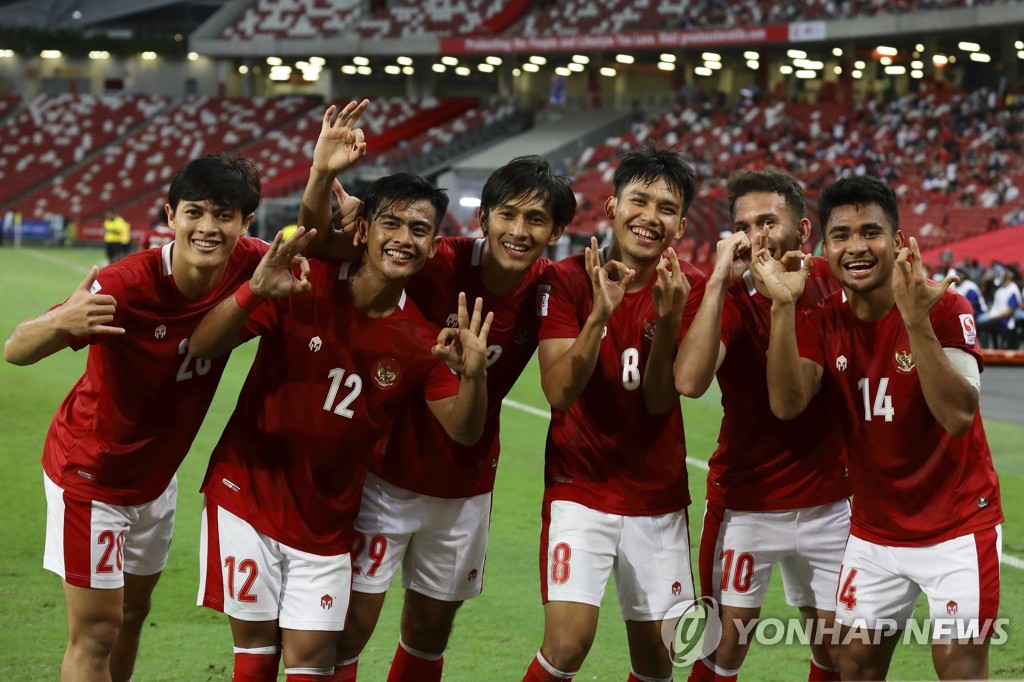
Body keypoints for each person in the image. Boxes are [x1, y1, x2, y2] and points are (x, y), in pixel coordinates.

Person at [189, 130, 493, 680]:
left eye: (419, 230)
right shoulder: (304, 280)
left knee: (314, 664)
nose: (404, 239)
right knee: (255, 660)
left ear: (432, 245)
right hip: (247, 495)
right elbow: (204, 346)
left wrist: (473, 378)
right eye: (392, 224)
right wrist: (253, 291)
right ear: (365, 229)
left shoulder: (423, 339)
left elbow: (465, 431)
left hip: (329, 523)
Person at [3, 153, 277, 682]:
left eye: (224, 216)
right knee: (97, 633)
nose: (207, 227)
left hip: (156, 477)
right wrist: (62, 320)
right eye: (194, 212)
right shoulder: (124, 283)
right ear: (170, 216)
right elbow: (15, 349)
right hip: (91, 473)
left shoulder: (252, 264)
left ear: (246, 223)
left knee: (132, 616)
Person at [306, 146, 577, 679]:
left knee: (429, 633)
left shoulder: (553, 286)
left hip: (465, 484)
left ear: (557, 231)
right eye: (508, 214)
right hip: (383, 474)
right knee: (349, 627)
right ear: (484, 218)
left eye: (537, 220)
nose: (519, 231)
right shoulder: (435, 261)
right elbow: (329, 248)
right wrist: (344, 208)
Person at [753, 174, 1003, 680]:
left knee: (960, 669)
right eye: (841, 235)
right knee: (856, 665)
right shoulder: (823, 318)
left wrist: (915, 322)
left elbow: (958, 416)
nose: (856, 247)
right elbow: (786, 403)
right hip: (875, 532)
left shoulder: (945, 307)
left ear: (897, 241)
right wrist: (783, 306)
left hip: (956, 527)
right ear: (826, 246)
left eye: (871, 232)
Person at [524, 144, 706, 682]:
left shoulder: (687, 289)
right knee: (567, 644)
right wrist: (598, 316)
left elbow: (658, 400)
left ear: (680, 223)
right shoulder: (566, 280)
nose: (650, 218)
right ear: (611, 207)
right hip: (579, 487)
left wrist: (669, 323)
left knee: (658, 657)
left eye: (666, 208)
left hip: (657, 496)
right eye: (639, 201)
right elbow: (558, 391)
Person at [674, 170, 849, 682]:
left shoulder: (830, 283)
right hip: (746, 504)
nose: (755, 237)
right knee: (722, 651)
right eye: (743, 225)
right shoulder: (728, 298)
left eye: (768, 222)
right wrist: (715, 287)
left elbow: (796, 396)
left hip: (829, 502)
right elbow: (688, 381)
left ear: (803, 233)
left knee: (838, 652)